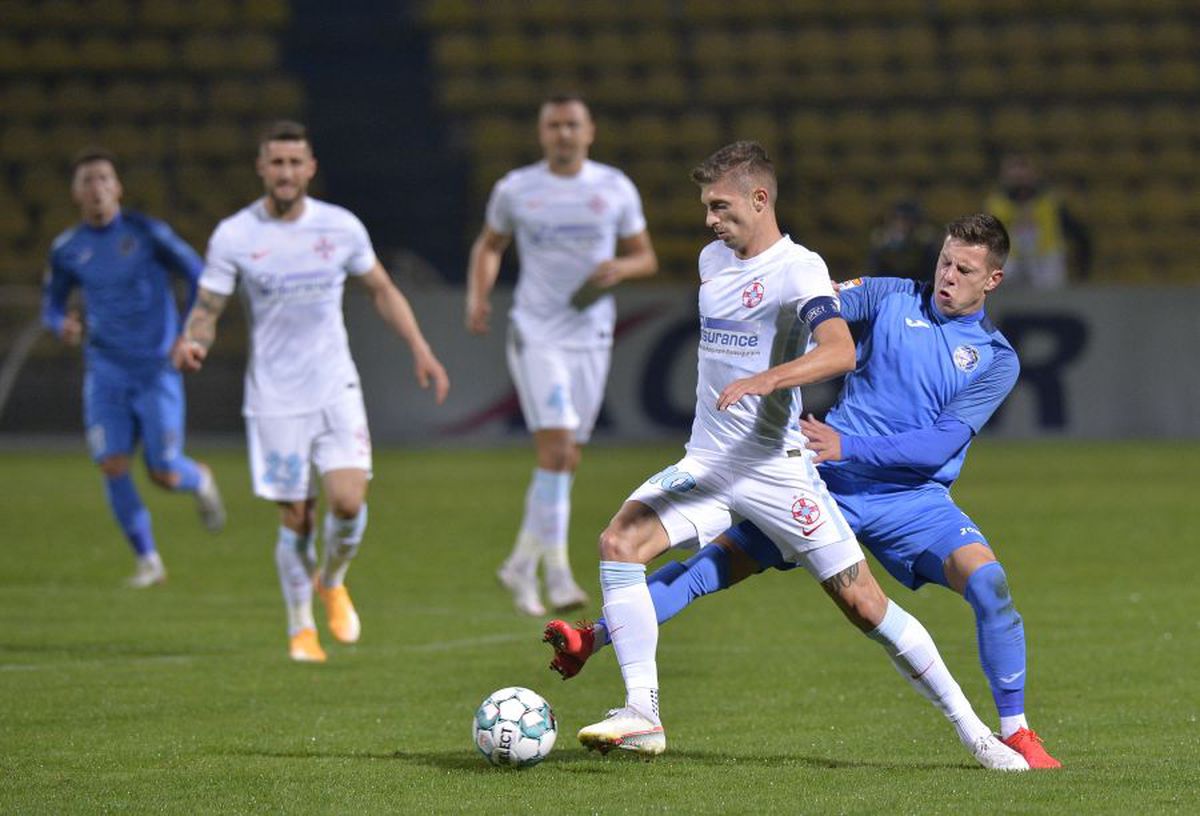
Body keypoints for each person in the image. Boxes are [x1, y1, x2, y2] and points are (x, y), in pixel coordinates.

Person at [568, 143, 1027, 770]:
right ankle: (640, 708)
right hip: (745, 464)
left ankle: (993, 734)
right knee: (636, 545)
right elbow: (833, 306)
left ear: (991, 280)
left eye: (963, 270)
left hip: (866, 486)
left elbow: (849, 359)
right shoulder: (865, 289)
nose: (946, 276)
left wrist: (776, 380)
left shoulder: (991, 356)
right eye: (944, 262)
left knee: (887, 601)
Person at [173, 121, 450, 663]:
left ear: (310, 168)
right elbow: (207, 309)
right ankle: (301, 626)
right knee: (296, 517)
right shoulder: (235, 235)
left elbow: (381, 289)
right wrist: (193, 340)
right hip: (274, 398)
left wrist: (419, 347)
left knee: (348, 501)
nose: (285, 172)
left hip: (333, 385)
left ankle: (333, 580)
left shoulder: (340, 227)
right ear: (261, 167)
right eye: (276, 163)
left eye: (294, 163)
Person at [465, 93, 658, 617]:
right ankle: (557, 571)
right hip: (537, 332)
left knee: (567, 456)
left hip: (590, 334)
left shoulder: (613, 188)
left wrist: (620, 269)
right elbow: (489, 245)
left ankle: (519, 566)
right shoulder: (517, 189)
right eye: (554, 126)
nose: (564, 134)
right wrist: (478, 296)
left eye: (572, 125)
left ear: (589, 131)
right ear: (541, 132)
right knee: (554, 450)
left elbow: (646, 256)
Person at [41, 147, 225, 589]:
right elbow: (51, 304)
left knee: (162, 473)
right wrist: (59, 324)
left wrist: (187, 334)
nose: (97, 187)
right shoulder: (67, 249)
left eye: (104, 178)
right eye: (87, 180)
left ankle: (198, 478)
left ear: (118, 187)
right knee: (113, 464)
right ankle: (149, 562)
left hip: (157, 369)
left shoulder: (148, 234)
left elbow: (199, 274)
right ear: (75, 193)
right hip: (105, 372)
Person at [984, 152, 1091, 288]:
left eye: (1023, 176)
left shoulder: (1051, 203)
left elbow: (1080, 235)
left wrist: (1083, 272)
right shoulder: (995, 206)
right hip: (1009, 265)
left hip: (1046, 264)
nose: (1020, 181)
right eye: (1016, 177)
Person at [866, 199, 941, 283]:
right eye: (896, 219)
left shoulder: (927, 251)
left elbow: (930, 280)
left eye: (906, 220)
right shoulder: (881, 251)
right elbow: (875, 280)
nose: (901, 225)